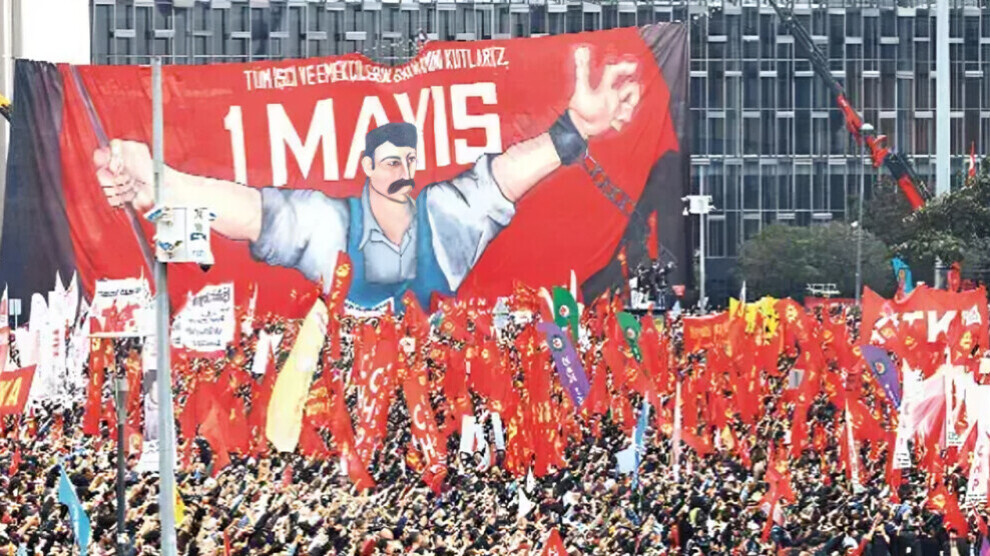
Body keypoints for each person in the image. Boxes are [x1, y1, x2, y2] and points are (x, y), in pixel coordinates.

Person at [94, 46, 642, 309]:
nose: (402, 174)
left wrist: (573, 131)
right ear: (366, 169)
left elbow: (500, 179)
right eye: (390, 163)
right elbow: (257, 213)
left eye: (408, 162)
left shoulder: (442, 221)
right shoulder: (331, 227)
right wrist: (167, 186)